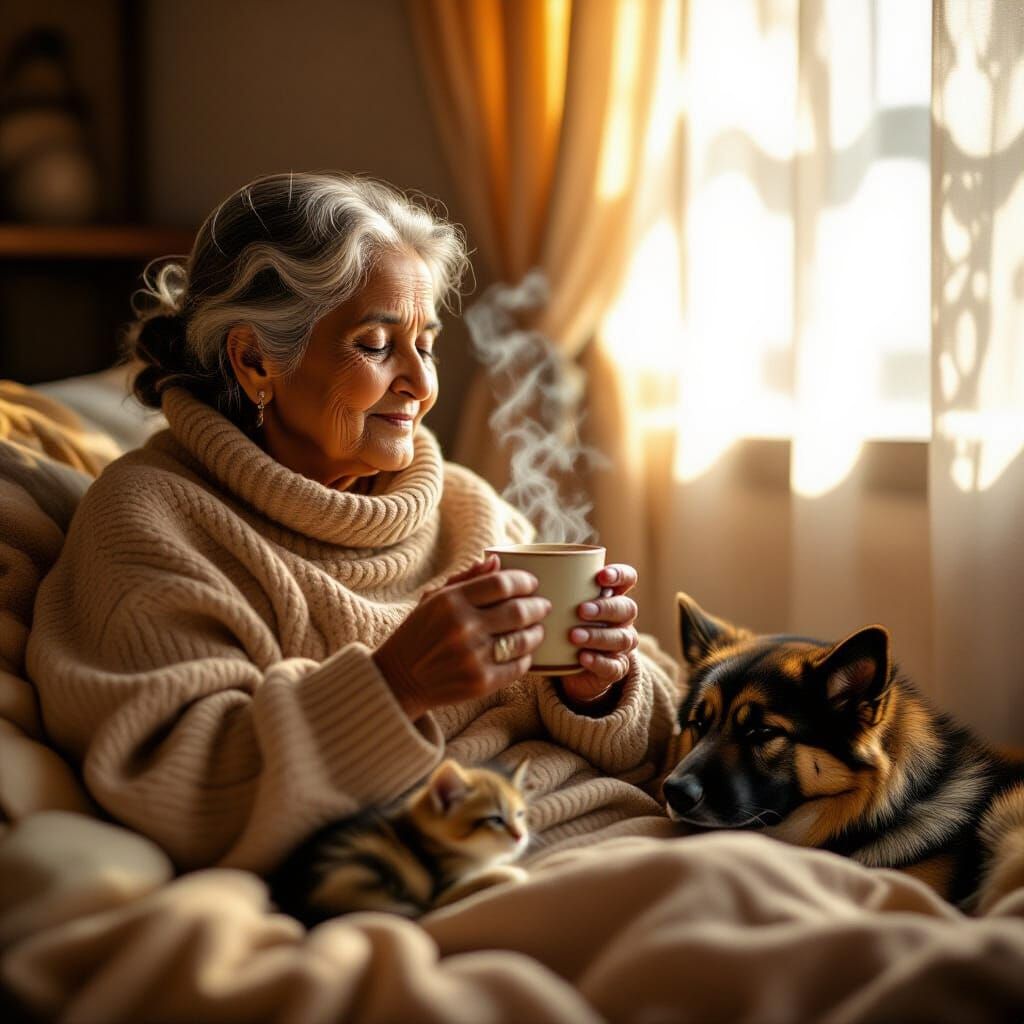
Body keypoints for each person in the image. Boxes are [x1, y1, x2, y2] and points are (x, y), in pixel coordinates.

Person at [26, 172, 681, 875]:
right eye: (375, 345)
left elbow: (665, 727)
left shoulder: (465, 505)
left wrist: (602, 688)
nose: (421, 384)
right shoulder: (155, 521)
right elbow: (187, 790)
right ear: (254, 362)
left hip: (629, 827)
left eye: (426, 344)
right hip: (445, 878)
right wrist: (396, 683)